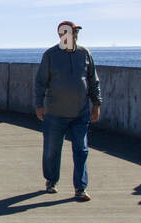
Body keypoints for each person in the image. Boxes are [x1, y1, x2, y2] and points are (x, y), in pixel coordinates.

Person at [33, 21, 101, 201]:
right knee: (52, 150)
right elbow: (40, 82)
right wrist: (39, 105)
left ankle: (80, 188)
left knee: (81, 149)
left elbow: (93, 80)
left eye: (76, 32)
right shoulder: (50, 55)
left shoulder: (84, 54)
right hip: (55, 113)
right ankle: (51, 181)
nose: (75, 35)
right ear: (62, 35)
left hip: (81, 113)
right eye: (72, 32)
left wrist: (97, 104)